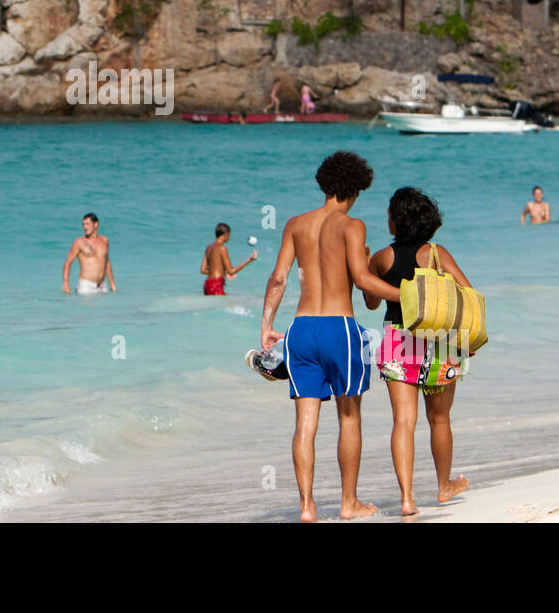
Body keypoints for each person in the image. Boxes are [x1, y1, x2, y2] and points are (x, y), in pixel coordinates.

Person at [260, 151, 402, 522]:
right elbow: (362, 279)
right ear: (354, 189)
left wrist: (265, 325)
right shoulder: (352, 226)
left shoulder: (295, 223)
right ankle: (348, 502)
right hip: (339, 328)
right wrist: (409, 296)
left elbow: (278, 278)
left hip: (301, 329)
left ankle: (307, 506)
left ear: (325, 184)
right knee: (349, 415)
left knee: (304, 423)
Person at [366, 188, 471, 516]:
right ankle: (443, 486)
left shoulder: (383, 257)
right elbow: (467, 293)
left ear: (399, 219)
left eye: (390, 212)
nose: (387, 218)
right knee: (439, 419)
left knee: (403, 421)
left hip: (398, 340)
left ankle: (408, 498)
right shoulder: (438, 254)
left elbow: (371, 302)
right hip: (437, 339)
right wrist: (465, 341)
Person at [63, 212, 116, 294]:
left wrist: (112, 284)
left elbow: (107, 263)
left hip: (102, 286)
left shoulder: (104, 241)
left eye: (87, 224)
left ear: (96, 224)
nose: (85, 227)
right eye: (83, 224)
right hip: (86, 286)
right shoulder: (79, 242)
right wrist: (65, 283)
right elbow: (68, 262)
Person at [200, 223, 257, 295]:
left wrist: (223, 273)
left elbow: (203, 270)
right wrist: (249, 260)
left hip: (207, 285)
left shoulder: (209, 247)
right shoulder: (222, 248)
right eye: (229, 235)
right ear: (226, 234)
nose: (229, 237)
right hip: (216, 284)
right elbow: (231, 271)